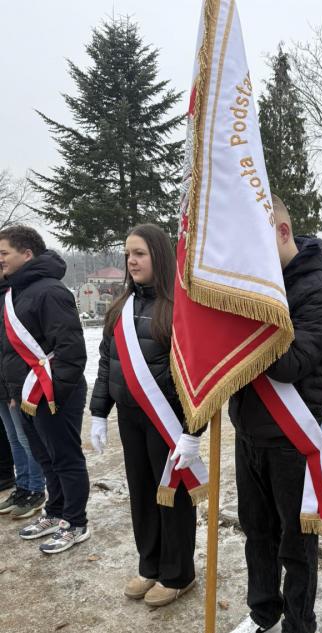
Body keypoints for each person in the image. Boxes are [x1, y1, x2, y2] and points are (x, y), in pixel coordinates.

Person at [219, 196, 322, 633]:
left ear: (283, 232)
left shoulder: (318, 292)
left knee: (296, 542)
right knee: (257, 533)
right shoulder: (258, 286)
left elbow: (292, 366)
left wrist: (243, 317)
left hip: (292, 438)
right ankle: (264, 613)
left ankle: (299, 629)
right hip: (249, 432)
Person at [90, 223, 201, 608]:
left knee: (172, 497)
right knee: (141, 495)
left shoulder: (181, 309)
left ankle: (178, 573)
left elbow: (196, 377)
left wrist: (192, 431)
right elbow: (108, 363)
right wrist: (99, 412)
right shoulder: (122, 306)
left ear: (159, 256)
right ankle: (150, 564)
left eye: (139, 253)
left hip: (167, 423)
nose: (131, 260)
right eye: (127, 254)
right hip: (131, 419)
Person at [0, 226, 89, 552]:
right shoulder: (14, 293)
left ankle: (76, 522)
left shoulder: (51, 291)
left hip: (53, 393)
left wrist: (55, 394)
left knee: (65, 458)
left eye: (3, 253)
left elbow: (71, 350)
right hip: (25, 394)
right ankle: (55, 511)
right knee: (45, 458)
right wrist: (14, 390)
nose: (0, 260)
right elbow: (11, 351)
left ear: (26, 254)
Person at [0, 278, 46, 520]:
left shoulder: (11, 297)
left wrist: (12, 389)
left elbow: (11, 347)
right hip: (2, 382)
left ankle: (36, 489)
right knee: (12, 438)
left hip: (12, 382)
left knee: (25, 438)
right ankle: (23, 486)